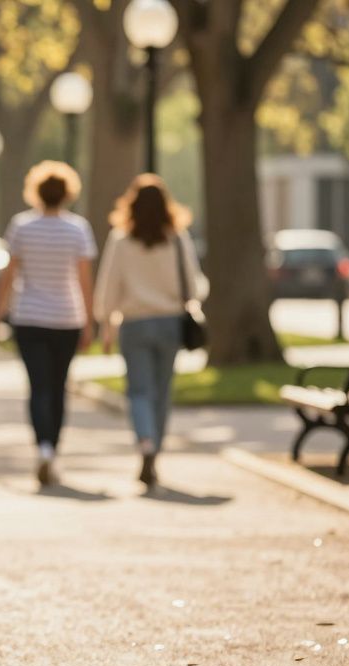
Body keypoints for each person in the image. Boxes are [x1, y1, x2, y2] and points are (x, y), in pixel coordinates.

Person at [0, 161, 96, 487]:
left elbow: (8, 277)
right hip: (67, 318)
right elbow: (84, 281)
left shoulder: (22, 226)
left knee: (38, 387)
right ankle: (54, 451)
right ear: (68, 193)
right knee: (59, 387)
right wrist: (90, 323)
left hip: (30, 318)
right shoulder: (78, 229)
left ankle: (43, 448)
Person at [94, 174, 204, 491]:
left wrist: (106, 319)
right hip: (169, 322)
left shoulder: (121, 239)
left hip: (134, 324)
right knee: (162, 391)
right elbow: (194, 285)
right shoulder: (177, 237)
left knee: (139, 391)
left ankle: (144, 443)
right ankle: (155, 448)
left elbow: (109, 284)